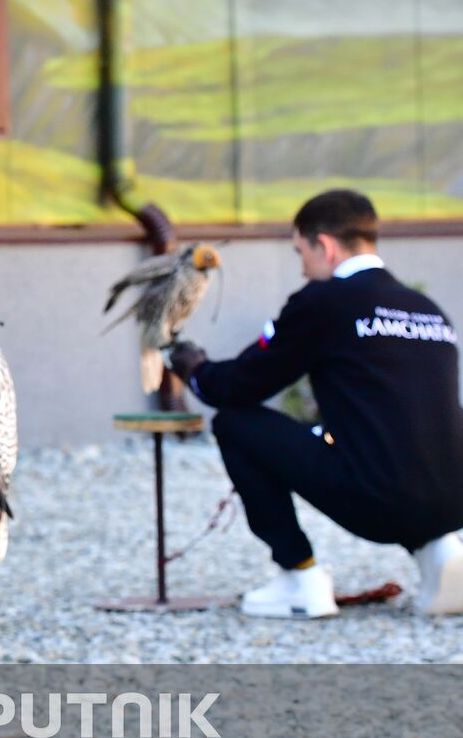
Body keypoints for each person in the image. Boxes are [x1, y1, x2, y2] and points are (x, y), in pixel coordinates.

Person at [168, 189, 463, 619]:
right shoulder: (427, 310)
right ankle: (440, 553)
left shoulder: (324, 302)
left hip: (380, 506)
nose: (302, 267)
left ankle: (299, 578)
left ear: (323, 244)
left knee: (237, 424)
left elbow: (238, 387)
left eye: (300, 252)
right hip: (455, 502)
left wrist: (194, 369)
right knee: (406, 441)